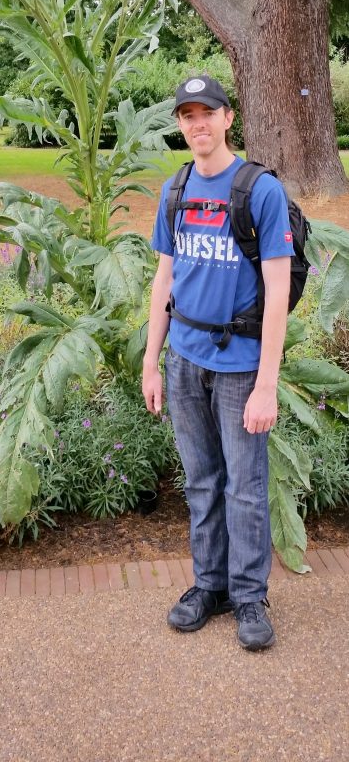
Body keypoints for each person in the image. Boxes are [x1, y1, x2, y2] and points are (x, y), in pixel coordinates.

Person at [142, 74, 293, 651]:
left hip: (240, 368)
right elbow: (164, 278)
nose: (198, 124)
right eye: (187, 115)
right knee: (202, 481)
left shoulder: (259, 190)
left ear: (229, 118)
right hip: (184, 361)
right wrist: (151, 361)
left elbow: (277, 291)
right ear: (180, 125)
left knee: (246, 487)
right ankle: (210, 586)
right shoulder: (175, 190)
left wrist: (267, 384)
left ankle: (249, 594)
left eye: (208, 113)